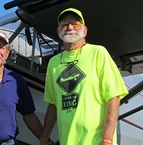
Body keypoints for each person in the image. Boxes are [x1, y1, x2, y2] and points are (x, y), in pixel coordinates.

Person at [40, 8, 129, 145]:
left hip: (97, 141)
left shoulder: (98, 53)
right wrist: (44, 138)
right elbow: (53, 104)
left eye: (75, 24)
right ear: (58, 31)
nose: (69, 27)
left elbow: (113, 97)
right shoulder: (53, 63)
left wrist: (107, 139)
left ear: (85, 30)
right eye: (64, 24)